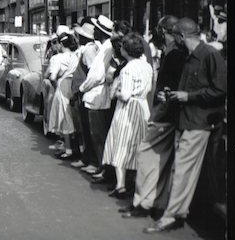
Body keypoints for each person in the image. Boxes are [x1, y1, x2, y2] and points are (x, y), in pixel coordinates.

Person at [143, 17, 227, 233]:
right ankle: (181, 212)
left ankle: (171, 216)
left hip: (199, 122)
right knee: (184, 169)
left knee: (181, 170)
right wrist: (172, 95)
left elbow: (219, 90)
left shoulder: (209, 55)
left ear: (181, 36)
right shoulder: (189, 56)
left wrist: (187, 96)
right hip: (189, 120)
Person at [120, 16, 186, 218]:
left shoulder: (173, 54)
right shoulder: (172, 53)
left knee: (146, 155)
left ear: (164, 31)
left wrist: (159, 110)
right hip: (166, 113)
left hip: (164, 115)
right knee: (158, 159)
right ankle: (153, 202)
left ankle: (144, 203)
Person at [102, 33, 153, 199]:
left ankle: (121, 185)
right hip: (142, 106)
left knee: (122, 144)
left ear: (127, 50)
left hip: (127, 108)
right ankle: (136, 183)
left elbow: (125, 94)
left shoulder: (128, 69)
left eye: (123, 46)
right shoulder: (147, 66)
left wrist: (116, 91)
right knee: (138, 142)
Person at [76, 15, 116, 183]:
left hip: (96, 97)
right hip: (95, 96)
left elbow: (97, 75)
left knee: (98, 135)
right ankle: (100, 166)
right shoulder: (104, 48)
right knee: (96, 134)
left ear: (100, 32)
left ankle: (102, 167)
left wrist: (82, 88)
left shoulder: (106, 49)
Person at [45, 32, 80, 160]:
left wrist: (56, 86)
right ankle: (79, 148)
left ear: (61, 44)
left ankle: (68, 150)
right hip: (74, 88)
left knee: (64, 118)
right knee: (74, 118)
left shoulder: (57, 58)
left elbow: (52, 76)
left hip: (62, 86)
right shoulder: (76, 57)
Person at [71, 19, 100, 171]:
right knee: (84, 127)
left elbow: (91, 72)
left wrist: (81, 90)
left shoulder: (89, 50)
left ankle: (91, 160)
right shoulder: (88, 48)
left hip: (85, 94)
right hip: (83, 93)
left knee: (87, 128)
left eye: (81, 35)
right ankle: (87, 158)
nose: (79, 38)